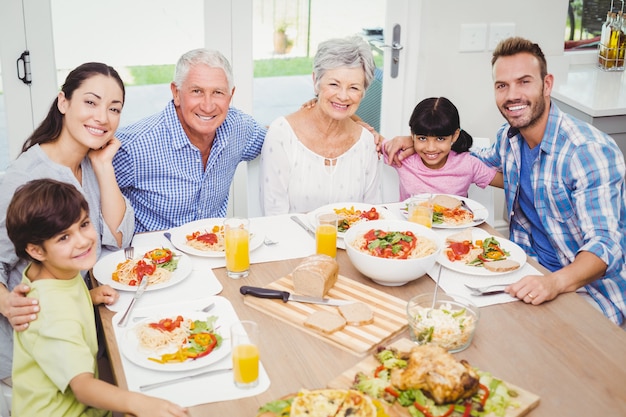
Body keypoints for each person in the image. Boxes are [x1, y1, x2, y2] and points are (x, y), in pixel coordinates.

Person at [385, 37, 626, 327]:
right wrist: (412, 144)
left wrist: (554, 283)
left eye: (524, 82)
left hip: (584, 290)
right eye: (502, 85)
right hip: (523, 271)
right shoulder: (508, 139)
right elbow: (467, 159)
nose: (512, 95)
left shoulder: (587, 151)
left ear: (547, 85)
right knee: (436, 317)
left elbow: (607, 246)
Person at [0, 62, 135, 384]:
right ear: (63, 102)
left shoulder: (89, 163)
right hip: (33, 349)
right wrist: (7, 304)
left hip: (83, 329)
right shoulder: (23, 180)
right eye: (91, 102)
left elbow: (118, 238)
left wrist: (103, 167)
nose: (102, 117)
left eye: (113, 108)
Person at [6, 179, 188, 416]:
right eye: (63, 237)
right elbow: (83, 388)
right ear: (37, 250)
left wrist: (88, 296)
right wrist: (139, 403)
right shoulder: (53, 312)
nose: (83, 240)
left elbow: (60, 298)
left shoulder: (46, 273)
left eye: (83, 224)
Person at [112, 48, 267, 233]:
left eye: (218, 92)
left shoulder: (238, 128)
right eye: (197, 91)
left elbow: (278, 137)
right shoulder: (133, 147)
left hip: (212, 251)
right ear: (176, 93)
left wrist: (309, 108)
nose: (208, 106)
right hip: (153, 256)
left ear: (230, 95)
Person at [259, 36, 382, 215]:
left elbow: (373, 213)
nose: (343, 96)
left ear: (364, 92)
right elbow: (274, 215)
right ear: (316, 81)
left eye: (354, 88)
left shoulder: (366, 142)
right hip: (292, 241)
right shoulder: (282, 134)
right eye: (334, 84)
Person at [381, 96, 502, 200]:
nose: (430, 148)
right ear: (412, 134)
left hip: (455, 224)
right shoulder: (401, 156)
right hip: (411, 226)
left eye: (440, 139)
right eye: (422, 138)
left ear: (454, 136)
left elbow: (512, 183)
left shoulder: (468, 164)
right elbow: (369, 134)